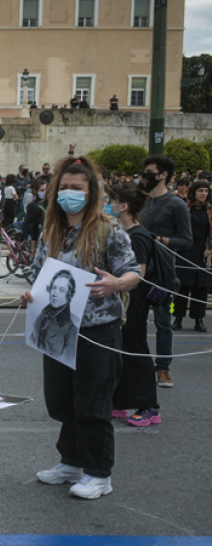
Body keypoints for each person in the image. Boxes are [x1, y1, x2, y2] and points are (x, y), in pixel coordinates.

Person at [22, 156, 140, 500]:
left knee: (93, 401)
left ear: (91, 193)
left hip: (97, 330)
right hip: (59, 328)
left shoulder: (109, 230)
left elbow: (133, 272)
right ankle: (71, 461)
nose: (69, 194)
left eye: (77, 188)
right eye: (65, 188)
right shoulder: (52, 230)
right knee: (62, 400)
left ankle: (98, 472)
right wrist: (31, 294)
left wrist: (117, 283)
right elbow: (38, 274)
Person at [108, 180, 161, 427]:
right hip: (124, 296)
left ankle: (149, 406)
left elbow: (138, 273)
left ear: (124, 206)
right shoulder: (126, 231)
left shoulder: (138, 235)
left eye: (112, 201)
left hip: (136, 299)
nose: (108, 205)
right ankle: (119, 402)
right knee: (121, 349)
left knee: (136, 348)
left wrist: (115, 281)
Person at [138, 155, 191, 388]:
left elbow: (186, 241)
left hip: (163, 274)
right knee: (134, 323)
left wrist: (160, 240)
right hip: (137, 271)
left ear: (163, 175)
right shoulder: (140, 201)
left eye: (149, 171)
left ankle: (163, 369)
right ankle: (137, 366)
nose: (144, 176)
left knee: (163, 322)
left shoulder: (176, 204)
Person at [174, 180, 211, 332]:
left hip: (204, 254)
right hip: (185, 252)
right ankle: (177, 318)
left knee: (200, 290)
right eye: (200, 191)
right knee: (181, 288)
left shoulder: (209, 210)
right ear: (193, 192)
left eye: (206, 191)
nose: (203, 194)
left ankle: (199, 320)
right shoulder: (185, 208)